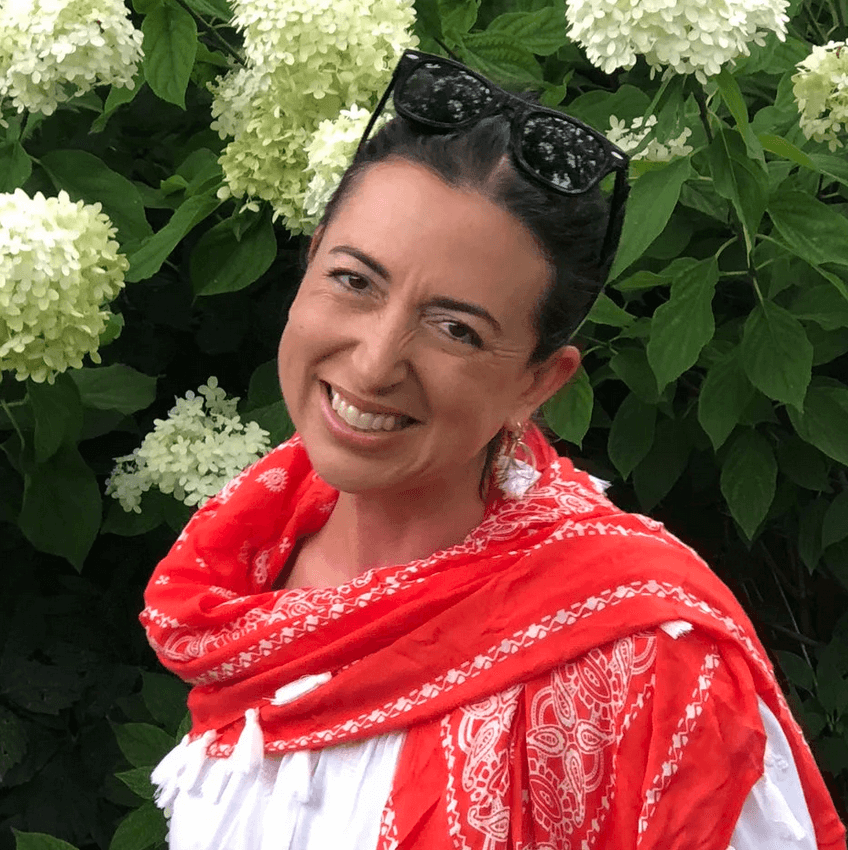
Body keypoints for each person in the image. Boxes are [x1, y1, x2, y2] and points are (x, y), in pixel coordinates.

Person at [142, 50, 846, 850]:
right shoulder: (240, 581)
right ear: (308, 267)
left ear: (538, 383)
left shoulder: (647, 658)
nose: (374, 363)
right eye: (355, 281)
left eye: (457, 330)